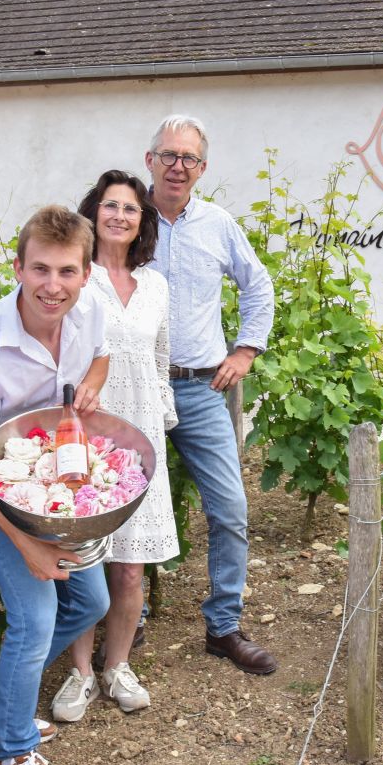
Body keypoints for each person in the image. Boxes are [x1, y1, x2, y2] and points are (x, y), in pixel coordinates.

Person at [0, 205, 110, 765]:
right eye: (40, 269)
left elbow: (102, 351)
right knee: (36, 616)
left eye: (67, 271)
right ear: (17, 267)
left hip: (57, 481)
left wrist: (96, 375)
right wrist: (25, 541)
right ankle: (15, 750)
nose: (53, 285)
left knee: (90, 600)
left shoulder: (88, 307)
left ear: (85, 274)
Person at [144, 114, 278, 675]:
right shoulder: (123, 219)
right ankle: (123, 615)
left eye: (190, 159)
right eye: (169, 155)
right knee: (124, 508)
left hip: (200, 389)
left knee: (230, 509)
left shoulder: (219, 224)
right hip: (138, 387)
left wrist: (245, 350)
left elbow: (259, 285)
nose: (179, 166)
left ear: (203, 169)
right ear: (149, 159)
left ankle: (223, 625)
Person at [56, 171, 178, 720]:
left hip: (142, 435)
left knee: (129, 567)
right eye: (110, 206)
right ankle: (79, 673)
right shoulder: (76, 279)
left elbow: (159, 360)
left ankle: (117, 666)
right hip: (89, 435)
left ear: (142, 221)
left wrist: (161, 426)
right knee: (84, 558)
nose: (120, 216)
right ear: (93, 212)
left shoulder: (154, 285)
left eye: (131, 209)